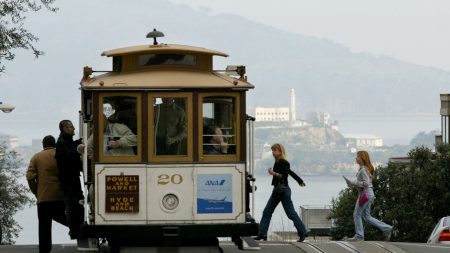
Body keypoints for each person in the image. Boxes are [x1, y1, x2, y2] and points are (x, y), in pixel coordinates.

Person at [253, 143, 308, 242]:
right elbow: (290, 172)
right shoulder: (277, 162)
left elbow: (284, 176)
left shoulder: (284, 162)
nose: (273, 152)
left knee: (290, 213)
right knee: (267, 211)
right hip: (277, 190)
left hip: (283, 191)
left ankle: (302, 232)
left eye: (274, 150)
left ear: (280, 151)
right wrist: (300, 181)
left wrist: (273, 173)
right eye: (272, 150)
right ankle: (262, 233)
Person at [27, 135, 68, 253]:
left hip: (43, 197)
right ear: (54, 144)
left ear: (43, 144)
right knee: (63, 217)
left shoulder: (36, 157)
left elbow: (30, 177)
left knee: (44, 226)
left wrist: (36, 191)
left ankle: (45, 250)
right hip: (60, 196)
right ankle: (79, 230)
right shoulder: (61, 155)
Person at [344, 150, 393, 241]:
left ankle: (359, 236)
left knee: (357, 214)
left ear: (362, 158)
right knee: (367, 216)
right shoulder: (366, 168)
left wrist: (353, 183)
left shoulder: (363, 170)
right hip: (369, 194)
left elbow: (366, 183)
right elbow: (367, 183)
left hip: (365, 195)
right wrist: (353, 184)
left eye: (358, 156)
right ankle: (386, 228)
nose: (356, 158)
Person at [55, 120, 85, 240]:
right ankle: (76, 230)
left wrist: (79, 142)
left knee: (75, 204)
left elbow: (71, 147)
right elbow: (70, 155)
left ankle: (76, 229)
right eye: (71, 127)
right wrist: (79, 150)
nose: (73, 129)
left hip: (69, 179)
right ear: (65, 128)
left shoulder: (65, 141)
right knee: (74, 206)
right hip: (69, 180)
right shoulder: (62, 142)